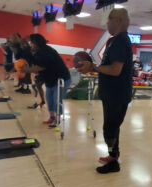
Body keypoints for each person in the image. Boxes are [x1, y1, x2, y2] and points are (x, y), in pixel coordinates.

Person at [76, 8, 132, 174]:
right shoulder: (113, 41)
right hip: (111, 94)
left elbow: (115, 70)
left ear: (119, 21)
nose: (107, 23)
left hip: (117, 94)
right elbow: (106, 67)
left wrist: (93, 67)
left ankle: (114, 163)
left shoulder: (121, 40)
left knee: (110, 128)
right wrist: (92, 66)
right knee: (113, 127)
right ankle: (113, 155)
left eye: (109, 19)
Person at [25, 33, 71, 127]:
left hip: (61, 79)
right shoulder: (37, 52)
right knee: (49, 99)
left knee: (56, 100)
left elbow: (39, 67)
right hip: (51, 79)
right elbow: (34, 64)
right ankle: (52, 117)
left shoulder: (45, 51)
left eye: (31, 43)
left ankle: (57, 120)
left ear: (37, 43)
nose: (30, 45)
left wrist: (25, 70)